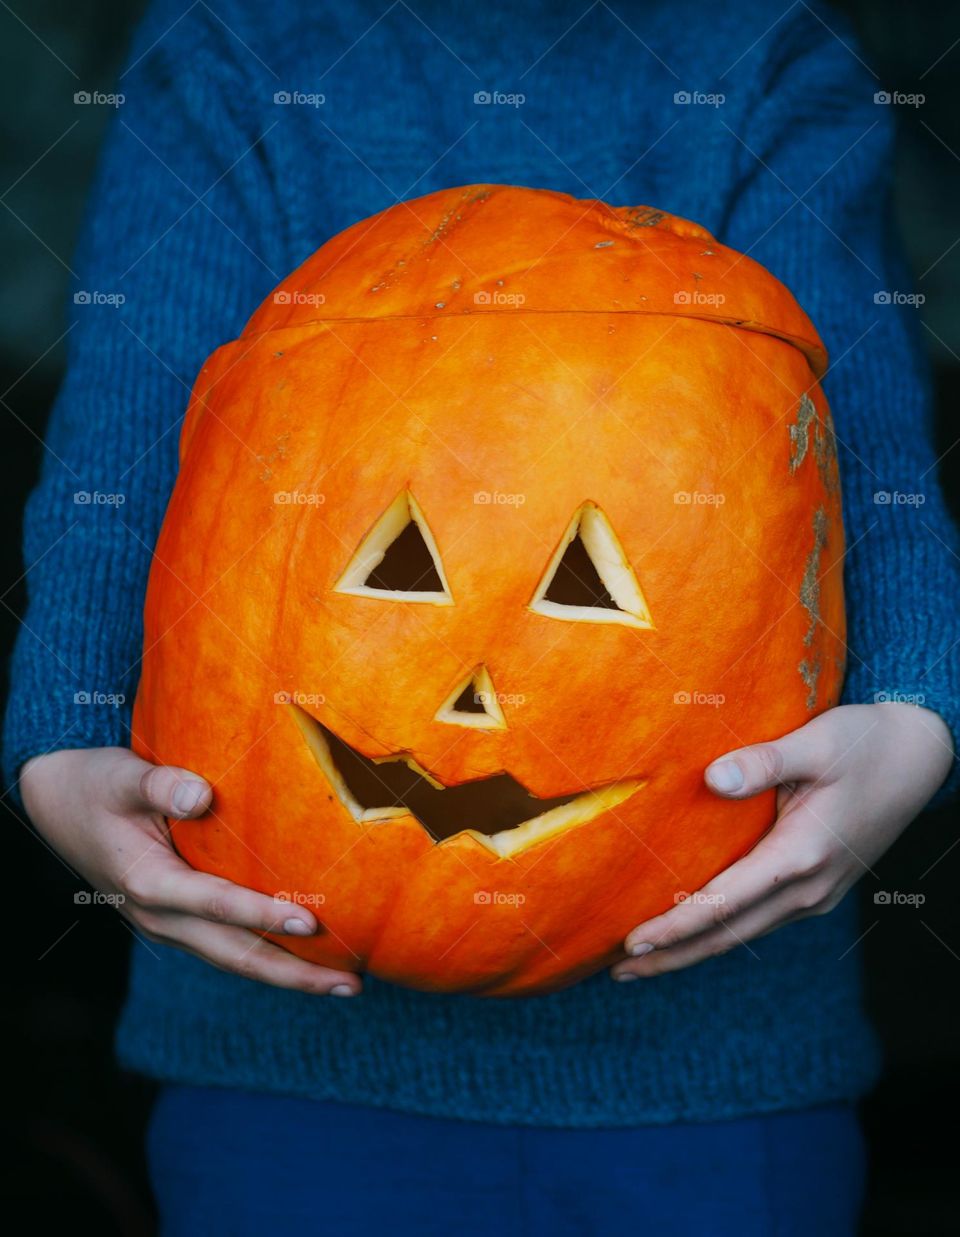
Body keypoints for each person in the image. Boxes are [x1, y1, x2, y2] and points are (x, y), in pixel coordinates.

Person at [5, 1, 958, 1233]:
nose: (476, 690)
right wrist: (62, 744)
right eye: (402, 568)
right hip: (282, 1055)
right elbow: (125, 454)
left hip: (713, 1080)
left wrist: (916, 715)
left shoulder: (766, 55)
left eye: (578, 588)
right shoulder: (234, 48)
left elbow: (867, 474)